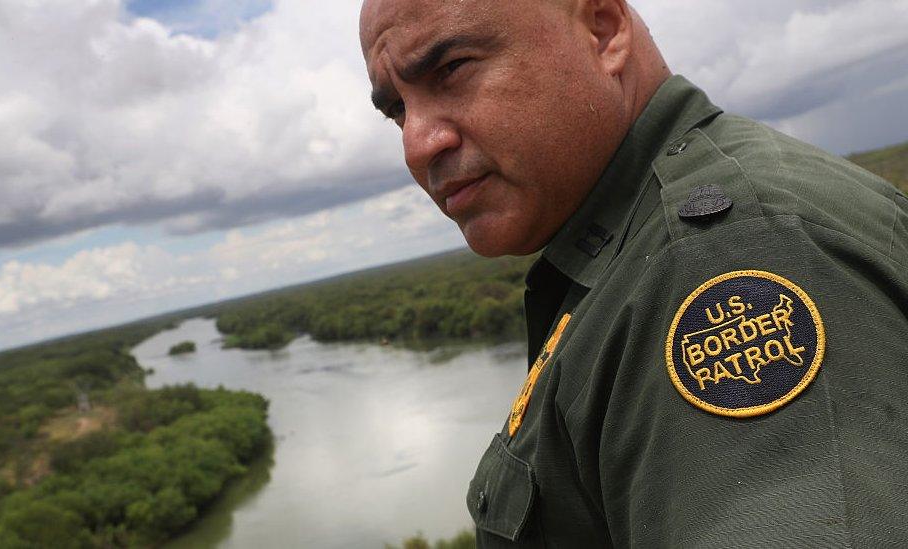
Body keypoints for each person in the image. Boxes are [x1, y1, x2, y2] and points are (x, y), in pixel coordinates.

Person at [360, 0, 908, 546]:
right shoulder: (628, 246)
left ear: (604, 31)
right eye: (398, 112)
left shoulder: (726, 256)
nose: (418, 144)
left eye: (451, 69)